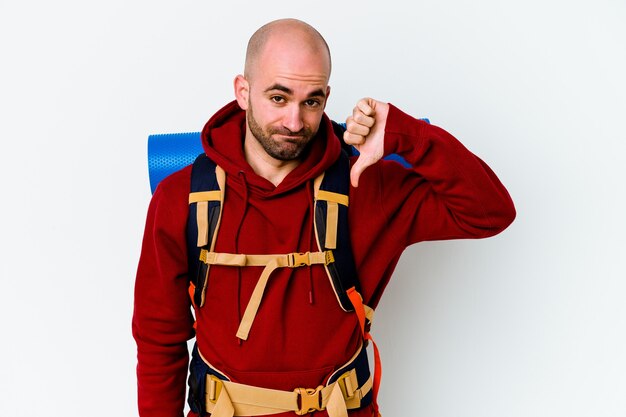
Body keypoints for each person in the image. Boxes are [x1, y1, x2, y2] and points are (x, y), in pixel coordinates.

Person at [132, 18, 515, 417]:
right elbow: (159, 339)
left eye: (311, 101)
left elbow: (490, 213)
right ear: (242, 92)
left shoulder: (366, 184)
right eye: (278, 98)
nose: (295, 123)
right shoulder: (181, 197)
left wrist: (409, 136)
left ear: (326, 97)